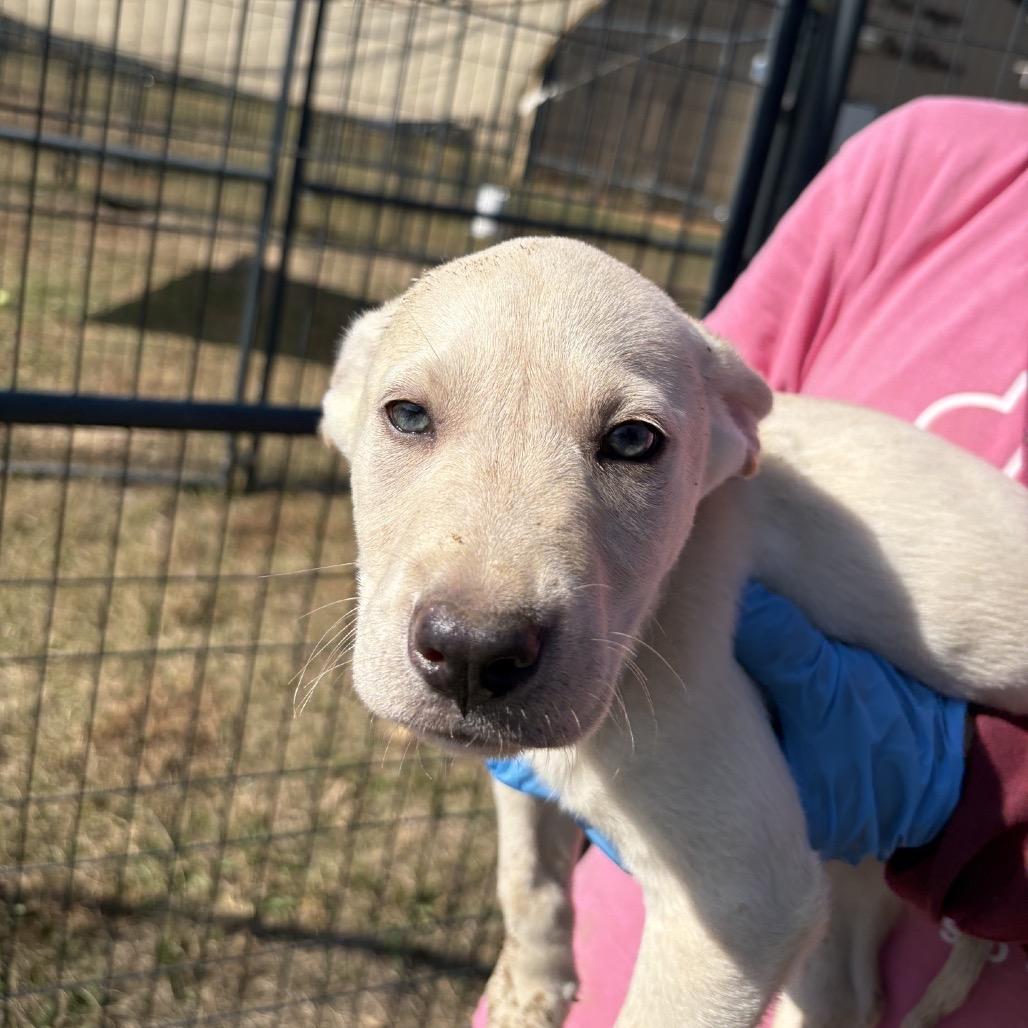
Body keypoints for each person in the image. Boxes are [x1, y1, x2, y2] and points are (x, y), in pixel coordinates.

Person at [476, 96, 1028, 1026]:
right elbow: (688, 391)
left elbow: (745, 898)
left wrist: (985, 800)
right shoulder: (933, 160)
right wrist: (534, 940)